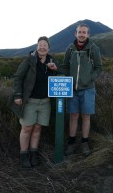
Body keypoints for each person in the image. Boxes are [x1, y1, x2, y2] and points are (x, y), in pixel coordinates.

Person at [9, 36, 58, 168]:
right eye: (40, 45)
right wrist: (17, 95)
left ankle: (33, 153)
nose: (42, 47)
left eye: (45, 45)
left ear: (49, 48)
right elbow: (18, 78)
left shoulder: (52, 60)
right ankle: (24, 155)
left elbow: (61, 73)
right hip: (29, 101)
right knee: (26, 128)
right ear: (37, 47)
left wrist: (55, 69)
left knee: (37, 128)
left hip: (45, 102)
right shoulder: (29, 60)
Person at [62, 23, 103, 156]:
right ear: (75, 33)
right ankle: (71, 143)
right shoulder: (70, 48)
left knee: (86, 116)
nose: (81, 34)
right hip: (72, 89)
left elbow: (98, 67)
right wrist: (55, 68)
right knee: (73, 116)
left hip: (88, 89)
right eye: (79, 32)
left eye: (84, 32)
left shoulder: (93, 48)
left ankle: (85, 143)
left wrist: (90, 78)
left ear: (88, 34)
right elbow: (65, 67)